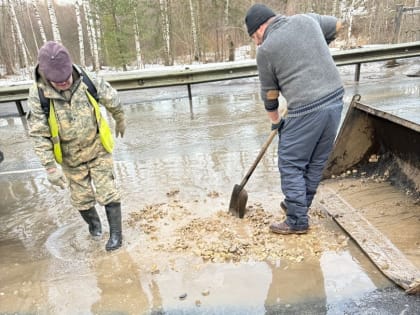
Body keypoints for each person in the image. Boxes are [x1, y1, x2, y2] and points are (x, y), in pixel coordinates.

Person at [245, 4, 344, 234]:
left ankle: (297, 221)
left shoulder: (266, 50)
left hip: (307, 108)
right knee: (315, 162)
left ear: (260, 28)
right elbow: (338, 24)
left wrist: (276, 120)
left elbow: (270, 95)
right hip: (335, 99)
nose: (256, 42)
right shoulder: (307, 20)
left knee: (290, 162)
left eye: (254, 37)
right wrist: (315, 47)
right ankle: (297, 205)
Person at [27, 41, 126, 251]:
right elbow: (38, 133)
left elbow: (111, 98)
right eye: (58, 82)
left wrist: (120, 117)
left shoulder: (88, 80)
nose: (64, 83)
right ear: (47, 76)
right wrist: (50, 167)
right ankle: (95, 226)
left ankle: (116, 235)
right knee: (81, 200)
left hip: (97, 149)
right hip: (70, 158)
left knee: (108, 192)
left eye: (66, 79)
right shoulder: (38, 95)